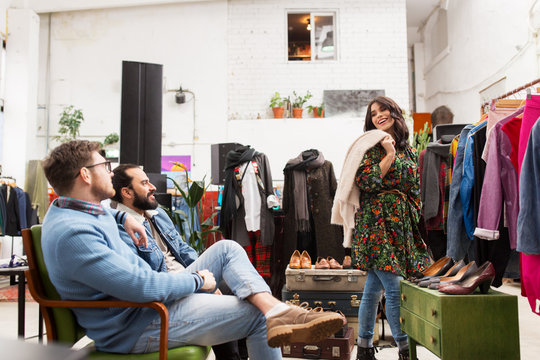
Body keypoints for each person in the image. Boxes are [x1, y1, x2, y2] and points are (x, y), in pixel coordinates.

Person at [41, 140, 344, 358]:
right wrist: (200, 281)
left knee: (226, 248)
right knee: (255, 314)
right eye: (104, 166)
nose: (109, 171)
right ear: (85, 175)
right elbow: (141, 286)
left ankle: (277, 309)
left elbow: (108, 218)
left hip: (144, 309)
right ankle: (275, 312)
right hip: (138, 324)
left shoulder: (79, 210)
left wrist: (123, 216)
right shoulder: (74, 234)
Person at [332, 97, 430, 360]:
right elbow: (368, 182)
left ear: (394, 112)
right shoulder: (370, 146)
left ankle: (364, 348)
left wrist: (409, 218)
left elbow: (413, 187)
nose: (378, 116)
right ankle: (405, 349)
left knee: (372, 289)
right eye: (373, 113)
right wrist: (388, 154)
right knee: (395, 288)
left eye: (382, 110)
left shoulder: (409, 151)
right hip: (375, 226)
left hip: (399, 227)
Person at [111, 163, 241, 359]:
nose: (153, 187)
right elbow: (148, 279)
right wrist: (200, 284)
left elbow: (183, 249)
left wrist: (206, 274)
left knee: (236, 287)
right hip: (171, 288)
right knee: (223, 294)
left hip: (189, 275)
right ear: (127, 192)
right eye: (145, 183)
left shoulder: (158, 214)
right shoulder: (120, 228)